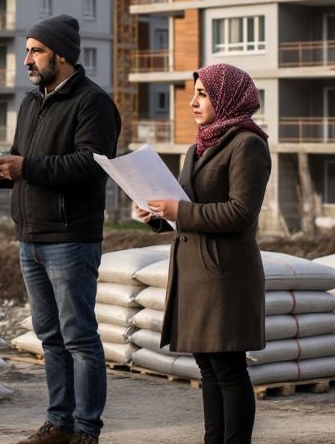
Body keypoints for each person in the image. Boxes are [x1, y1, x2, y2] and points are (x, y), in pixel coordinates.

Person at [0, 14, 121, 444]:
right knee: (50, 338)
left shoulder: (92, 103)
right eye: (27, 50)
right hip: (31, 237)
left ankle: (86, 430)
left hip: (71, 239)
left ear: (62, 56)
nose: (27, 60)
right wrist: (2, 171)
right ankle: (58, 423)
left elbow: (89, 166)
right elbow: (25, 159)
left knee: (79, 337)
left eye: (36, 51)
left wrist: (25, 167)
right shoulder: (32, 102)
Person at [137, 63, 270, 444]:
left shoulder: (248, 144)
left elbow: (241, 212)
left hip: (226, 273)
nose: (193, 102)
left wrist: (180, 211)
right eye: (193, 94)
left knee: (228, 368)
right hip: (194, 271)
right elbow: (187, 207)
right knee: (208, 368)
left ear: (226, 98)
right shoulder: (199, 146)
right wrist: (158, 217)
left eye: (203, 94)